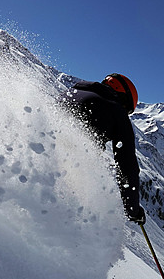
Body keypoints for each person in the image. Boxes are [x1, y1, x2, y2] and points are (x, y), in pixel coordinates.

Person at [62, 73, 145, 224]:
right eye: (127, 110)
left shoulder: (70, 92)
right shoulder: (116, 110)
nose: (125, 113)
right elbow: (127, 165)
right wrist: (133, 209)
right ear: (123, 98)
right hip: (70, 163)